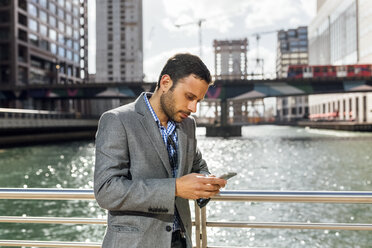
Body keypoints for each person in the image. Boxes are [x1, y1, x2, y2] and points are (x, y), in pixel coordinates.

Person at [94, 53, 227, 248]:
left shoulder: (188, 125)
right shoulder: (117, 120)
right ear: (165, 83)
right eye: (189, 97)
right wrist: (175, 188)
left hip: (180, 241)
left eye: (198, 100)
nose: (194, 108)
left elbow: (198, 166)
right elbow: (106, 190)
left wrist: (205, 182)